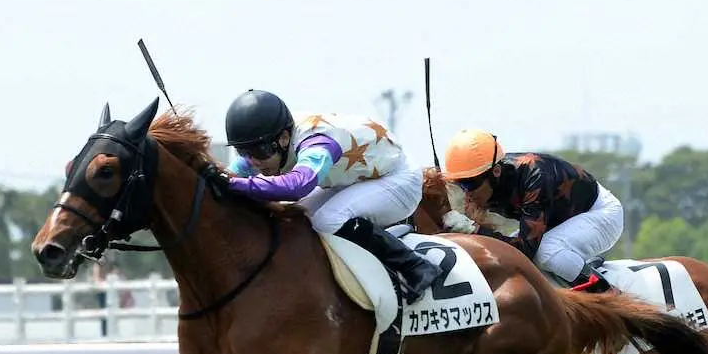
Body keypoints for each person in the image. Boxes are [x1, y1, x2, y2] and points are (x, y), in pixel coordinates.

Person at [220, 90, 441, 304]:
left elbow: (297, 187)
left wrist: (233, 184)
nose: (253, 162)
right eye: (243, 152)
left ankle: (414, 266)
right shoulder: (272, 137)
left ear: (284, 138)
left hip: (399, 180)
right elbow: (226, 174)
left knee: (327, 219)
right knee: (298, 218)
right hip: (357, 179)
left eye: (259, 152)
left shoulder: (318, 144)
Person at [438, 128, 624, 291]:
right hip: (559, 218)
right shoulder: (489, 178)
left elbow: (525, 250)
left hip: (600, 214)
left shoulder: (535, 179)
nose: (466, 194)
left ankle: (608, 295)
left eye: (470, 184)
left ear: (495, 173)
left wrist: (474, 229)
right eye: (460, 184)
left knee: (545, 252)